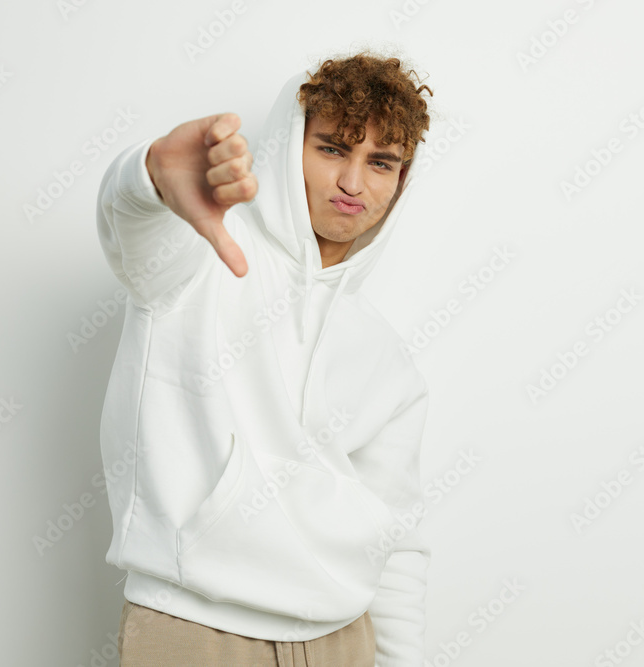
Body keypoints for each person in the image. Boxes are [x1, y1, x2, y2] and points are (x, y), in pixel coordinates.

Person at [96, 49, 435, 666]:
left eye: (380, 161)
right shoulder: (203, 253)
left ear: (401, 179)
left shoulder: (388, 358)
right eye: (333, 148)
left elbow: (399, 542)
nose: (353, 183)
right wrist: (146, 174)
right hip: (197, 630)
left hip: (343, 640)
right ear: (288, 147)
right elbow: (132, 227)